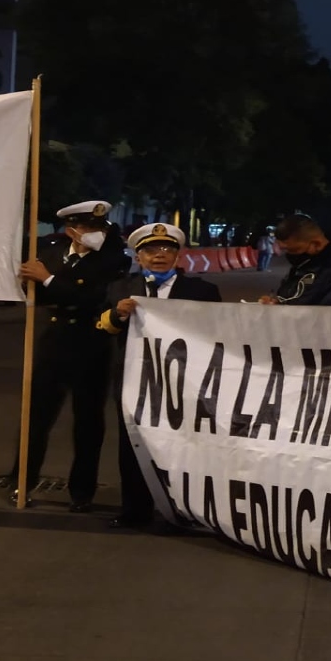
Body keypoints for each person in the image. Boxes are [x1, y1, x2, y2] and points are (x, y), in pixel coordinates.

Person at [96, 223, 221, 528]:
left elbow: (220, 331)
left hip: (184, 381)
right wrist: (117, 314)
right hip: (134, 381)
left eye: (167, 250)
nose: (159, 256)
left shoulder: (201, 291)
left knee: (183, 444)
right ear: (139, 257)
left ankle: (184, 510)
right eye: (150, 250)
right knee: (133, 445)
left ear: (179, 256)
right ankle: (135, 511)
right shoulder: (121, 288)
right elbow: (101, 326)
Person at [11, 200, 130, 510]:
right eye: (89, 228)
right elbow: (35, 290)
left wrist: (48, 280)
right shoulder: (49, 252)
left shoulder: (113, 260)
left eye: (100, 228)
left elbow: (94, 298)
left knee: (88, 424)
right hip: (54, 342)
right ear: (72, 230)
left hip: (92, 344)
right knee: (35, 419)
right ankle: (21, 483)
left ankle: (82, 492)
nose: (95, 234)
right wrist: (29, 283)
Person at [261, 215, 331, 306]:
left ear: (316, 244)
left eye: (293, 250)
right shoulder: (306, 263)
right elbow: (294, 296)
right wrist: (277, 303)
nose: (289, 255)